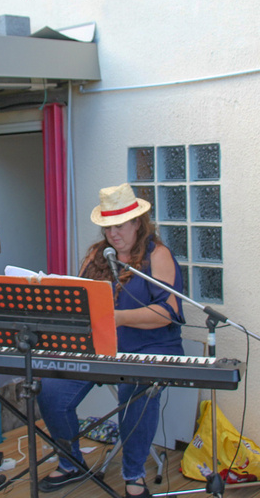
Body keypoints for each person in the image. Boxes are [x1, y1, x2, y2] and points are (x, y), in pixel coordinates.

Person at [36, 183, 184, 498]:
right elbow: (78, 301)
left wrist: (117, 317)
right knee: (50, 391)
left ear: (137, 223)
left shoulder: (158, 255)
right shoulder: (97, 255)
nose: (113, 234)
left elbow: (167, 312)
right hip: (102, 347)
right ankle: (71, 461)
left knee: (137, 392)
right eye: (107, 227)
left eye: (119, 226)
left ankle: (134, 475)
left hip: (150, 347)